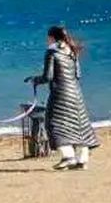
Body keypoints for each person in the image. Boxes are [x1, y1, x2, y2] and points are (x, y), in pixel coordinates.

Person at [39, 25, 99, 171]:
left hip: (60, 93)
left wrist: (34, 80)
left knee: (55, 124)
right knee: (80, 125)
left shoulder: (52, 52)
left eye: (48, 37)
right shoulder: (72, 51)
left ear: (52, 37)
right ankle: (82, 160)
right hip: (76, 93)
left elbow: (48, 77)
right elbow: (78, 74)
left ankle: (68, 157)